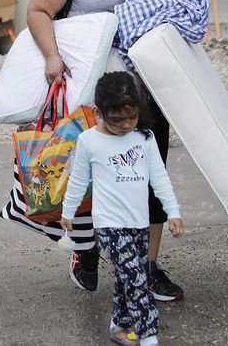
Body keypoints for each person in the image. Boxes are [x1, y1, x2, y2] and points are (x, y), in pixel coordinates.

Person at [26, 0, 185, 302]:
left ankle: (147, 267)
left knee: (149, 176)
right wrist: (51, 57)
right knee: (99, 179)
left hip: (149, 93)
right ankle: (88, 248)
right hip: (92, 97)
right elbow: (38, 9)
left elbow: (179, 3)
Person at [60, 72, 184, 346]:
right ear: (98, 112)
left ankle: (119, 325)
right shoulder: (89, 141)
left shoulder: (145, 137)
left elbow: (159, 178)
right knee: (138, 281)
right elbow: (79, 179)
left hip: (139, 223)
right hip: (110, 225)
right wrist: (68, 211)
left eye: (132, 117)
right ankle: (148, 336)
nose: (127, 124)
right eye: (117, 120)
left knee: (126, 277)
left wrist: (172, 211)